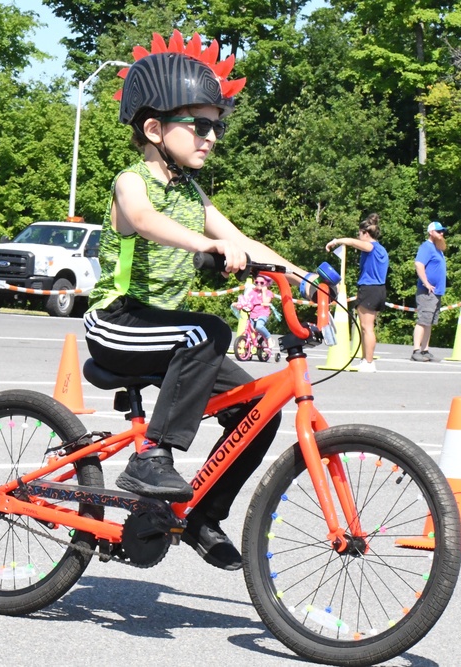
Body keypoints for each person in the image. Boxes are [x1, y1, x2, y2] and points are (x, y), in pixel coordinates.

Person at [83, 32, 305, 572]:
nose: (212, 137)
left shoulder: (191, 193)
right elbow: (143, 221)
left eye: (217, 127)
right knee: (207, 329)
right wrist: (208, 245)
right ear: (154, 129)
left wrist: (299, 272)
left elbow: (241, 238)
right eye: (199, 125)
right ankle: (151, 460)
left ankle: (201, 515)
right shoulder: (131, 182)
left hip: (164, 334)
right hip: (118, 321)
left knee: (259, 406)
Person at [325, 213, 390, 372]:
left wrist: (336, 241)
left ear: (366, 234)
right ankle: (365, 360)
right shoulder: (382, 249)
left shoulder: (371, 247)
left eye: (360, 233)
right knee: (366, 327)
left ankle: (369, 362)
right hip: (379, 289)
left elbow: (355, 243)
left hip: (369, 289)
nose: (358, 236)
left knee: (367, 327)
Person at [412, 221, 448, 362]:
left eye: (442, 231)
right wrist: (426, 283)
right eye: (439, 231)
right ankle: (416, 350)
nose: (441, 233)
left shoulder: (437, 248)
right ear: (431, 232)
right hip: (427, 292)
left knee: (430, 322)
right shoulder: (426, 247)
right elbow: (418, 264)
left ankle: (425, 350)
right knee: (423, 320)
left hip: (436, 292)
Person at [233, 275, 275, 346]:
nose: (258, 284)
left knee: (259, 326)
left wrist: (264, 291)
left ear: (267, 284)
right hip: (253, 313)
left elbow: (266, 302)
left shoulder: (268, 293)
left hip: (263, 313)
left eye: (262, 283)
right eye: (256, 282)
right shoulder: (253, 292)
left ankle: (268, 337)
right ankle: (250, 346)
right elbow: (246, 301)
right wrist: (238, 304)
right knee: (251, 329)